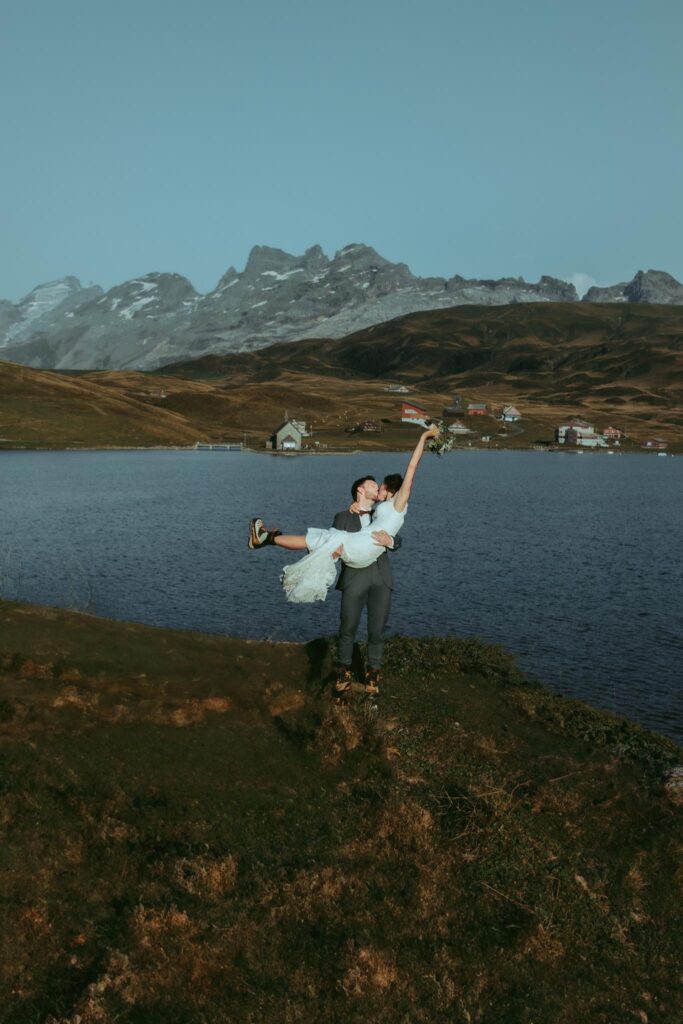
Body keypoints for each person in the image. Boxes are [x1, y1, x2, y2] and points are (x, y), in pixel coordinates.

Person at [248, 424, 439, 693]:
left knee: (376, 628)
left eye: (381, 487)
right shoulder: (348, 515)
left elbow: (410, 474)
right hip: (355, 570)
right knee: (347, 625)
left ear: (390, 494)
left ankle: (267, 539)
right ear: (360, 491)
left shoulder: (389, 509)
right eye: (373, 486)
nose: (377, 489)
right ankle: (344, 672)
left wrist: (392, 541)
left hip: (377, 573)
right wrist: (339, 550)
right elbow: (404, 480)